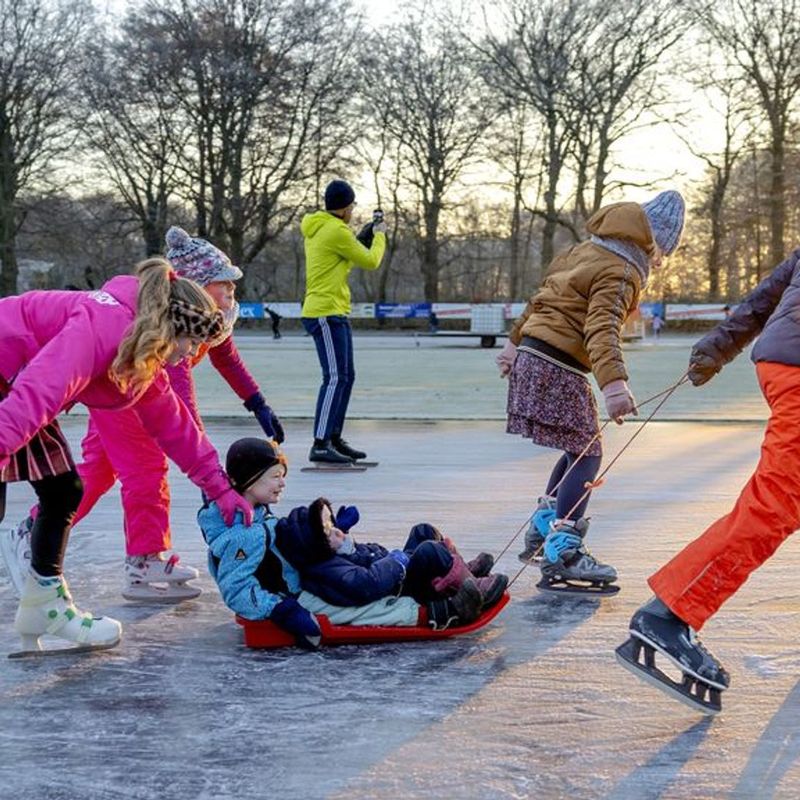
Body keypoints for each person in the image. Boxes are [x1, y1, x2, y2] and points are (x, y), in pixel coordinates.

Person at [2, 228, 284, 604]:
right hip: (11, 372)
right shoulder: (104, 328)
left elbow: (177, 427)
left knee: (66, 489)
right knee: (101, 480)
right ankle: (39, 567)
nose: (191, 355)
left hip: (23, 384)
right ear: (175, 327)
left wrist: (220, 489)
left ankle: (45, 598)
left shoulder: (146, 353)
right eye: (191, 345)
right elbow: (38, 393)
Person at [617, 245, 800, 713]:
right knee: (775, 504)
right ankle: (668, 613)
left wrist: (718, 345)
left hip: (780, 362)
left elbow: (763, 299)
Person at [496, 190, 685, 594]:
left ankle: (544, 528)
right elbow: (602, 327)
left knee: (576, 447)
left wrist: (513, 346)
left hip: (533, 355)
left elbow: (539, 301)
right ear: (650, 241)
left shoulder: (584, 250)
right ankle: (563, 550)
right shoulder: (622, 269)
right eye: (661, 252)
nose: (658, 262)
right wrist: (614, 387)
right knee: (589, 451)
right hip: (559, 364)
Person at [200, 438, 505, 645]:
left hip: (308, 575)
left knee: (421, 537)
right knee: (366, 609)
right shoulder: (243, 533)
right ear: (249, 480)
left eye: (283, 475)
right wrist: (283, 610)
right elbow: (236, 588)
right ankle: (448, 609)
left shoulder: (254, 513)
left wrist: (327, 532)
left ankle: (457, 573)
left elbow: (284, 543)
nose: (282, 483)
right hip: (298, 596)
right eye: (275, 476)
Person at [300, 179, 386, 465]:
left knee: (346, 376)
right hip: (324, 312)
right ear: (346, 207)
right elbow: (371, 261)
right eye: (352, 206)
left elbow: (343, 259)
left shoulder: (323, 227)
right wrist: (379, 236)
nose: (353, 211)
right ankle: (320, 443)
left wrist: (361, 238)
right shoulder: (335, 230)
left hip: (333, 310)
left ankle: (333, 438)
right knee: (336, 377)